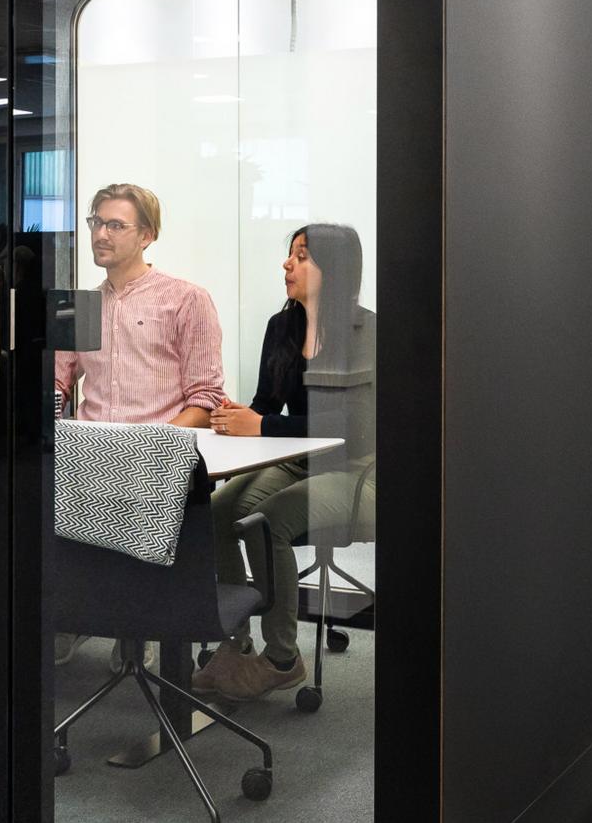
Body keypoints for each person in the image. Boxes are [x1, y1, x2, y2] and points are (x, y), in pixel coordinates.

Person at [196, 223, 378, 701]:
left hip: (359, 470)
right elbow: (264, 407)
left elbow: (353, 430)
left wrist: (261, 426)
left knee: (268, 519)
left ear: (334, 271)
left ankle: (281, 658)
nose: (287, 264)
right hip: (299, 461)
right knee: (216, 512)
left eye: (302, 256)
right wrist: (237, 416)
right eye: (290, 255)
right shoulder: (282, 327)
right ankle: (233, 642)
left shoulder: (368, 332)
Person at [53, 183, 225, 426]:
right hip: (90, 450)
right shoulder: (81, 307)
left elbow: (206, 399)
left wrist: (152, 445)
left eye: (116, 226)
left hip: (160, 454)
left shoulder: (187, 299)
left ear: (146, 236)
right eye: (97, 223)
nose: (101, 235)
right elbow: (56, 385)